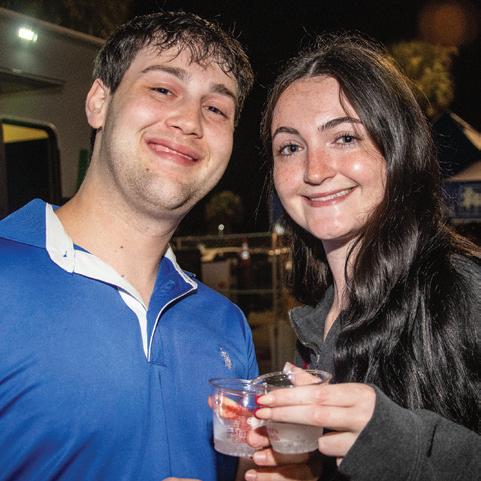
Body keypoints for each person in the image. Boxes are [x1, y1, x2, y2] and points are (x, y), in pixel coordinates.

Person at [0, 11, 307, 481]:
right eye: (163, 89)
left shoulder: (227, 325)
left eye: (216, 109)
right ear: (99, 102)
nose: (189, 121)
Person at [251, 33, 481, 480]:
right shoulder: (316, 322)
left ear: (396, 149)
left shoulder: (462, 292)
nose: (314, 171)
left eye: (344, 138)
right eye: (291, 147)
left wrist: (403, 446)